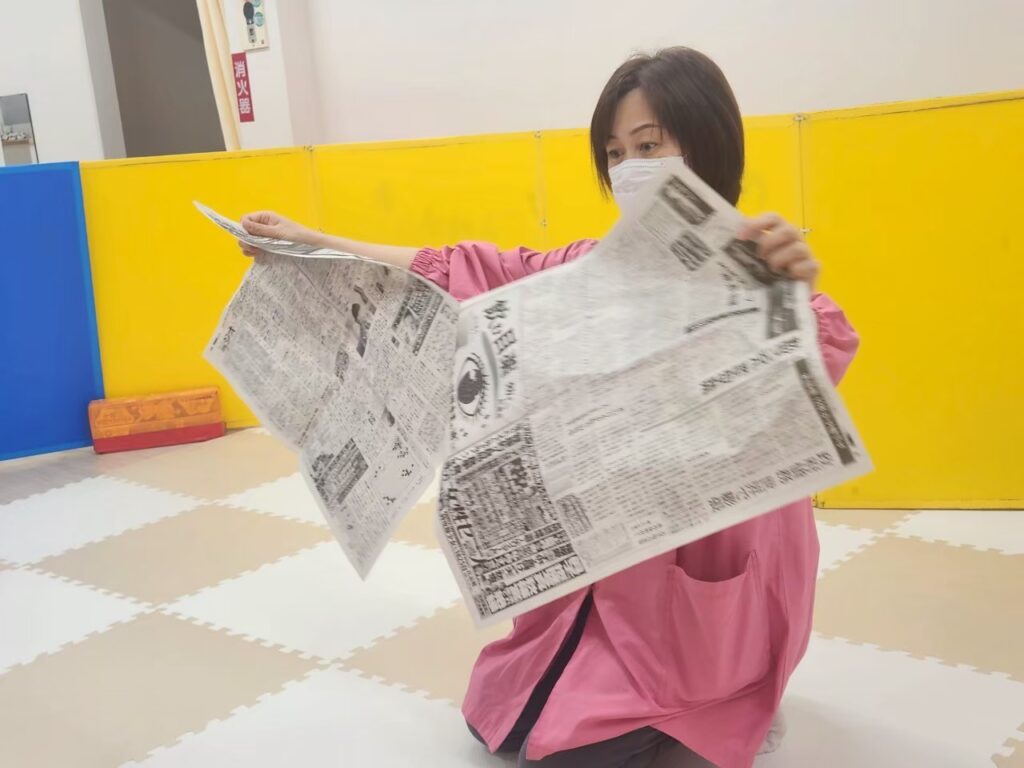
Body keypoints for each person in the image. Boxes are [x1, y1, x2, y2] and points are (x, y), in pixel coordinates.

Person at [237, 47, 858, 768]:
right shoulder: (591, 266)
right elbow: (470, 269)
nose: (628, 168)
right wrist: (313, 242)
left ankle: (712, 698)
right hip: (608, 574)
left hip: (704, 591)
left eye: (649, 146)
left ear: (708, 142)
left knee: (577, 744)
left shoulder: (756, 272)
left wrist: (781, 293)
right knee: (500, 723)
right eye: (615, 153)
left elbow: (817, 349)